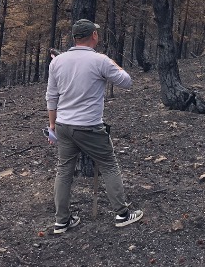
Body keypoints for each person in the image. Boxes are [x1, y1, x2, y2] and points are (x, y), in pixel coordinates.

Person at [46, 19, 143, 234]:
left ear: (74, 38)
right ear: (94, 36)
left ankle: (61, 220)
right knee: (109, 165)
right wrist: (113, 63)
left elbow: (51, 96)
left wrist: (52, 125)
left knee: (64, 171)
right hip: (89, 127)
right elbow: (127, 81)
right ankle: (122, 214)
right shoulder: (100, 61)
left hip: (63, 125)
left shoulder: (58, 62)